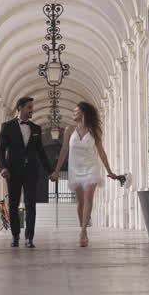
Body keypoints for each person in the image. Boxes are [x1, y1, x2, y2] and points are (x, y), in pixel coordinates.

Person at [50, 101, 121, 247]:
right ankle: (83, 225)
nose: (73, 113)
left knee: (88, 197)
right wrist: (57, 170)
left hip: (91, 168)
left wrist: (110, 171)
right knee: (80, 202)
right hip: (75, 169)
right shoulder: (69, 130)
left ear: (83, 113)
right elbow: (64, 151)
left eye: (76, 111)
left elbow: (101, 152)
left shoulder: (94, 130)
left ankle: (83, 231)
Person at [0, 96, 54, 248]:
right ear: (20, 108)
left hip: (31, 172)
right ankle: (15, 236)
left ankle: (29, 238)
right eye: (29, 107)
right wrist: (3, 167)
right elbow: (1, 149)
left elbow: (41, 152)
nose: (32, 110)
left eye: (32, 107)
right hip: (12, 172)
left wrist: (50, 171)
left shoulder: (36, 128)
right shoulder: (7, 127)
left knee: (31, 205)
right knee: (13, 204)